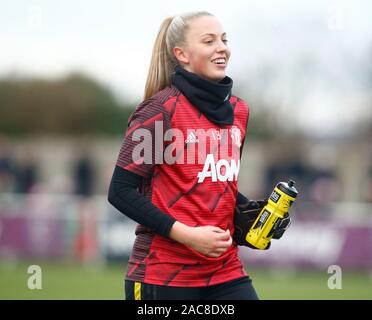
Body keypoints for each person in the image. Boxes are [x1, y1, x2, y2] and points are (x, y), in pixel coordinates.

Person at [108, 11, 290, 300]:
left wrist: (251, 218)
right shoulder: (160, 111)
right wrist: (188, 235)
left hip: (226, 271)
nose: (222, 47)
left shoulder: (239, 111)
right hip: (163, 275)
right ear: (181, 54)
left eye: (224, 39)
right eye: (209, 41)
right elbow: (121, 191)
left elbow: (216, 183)